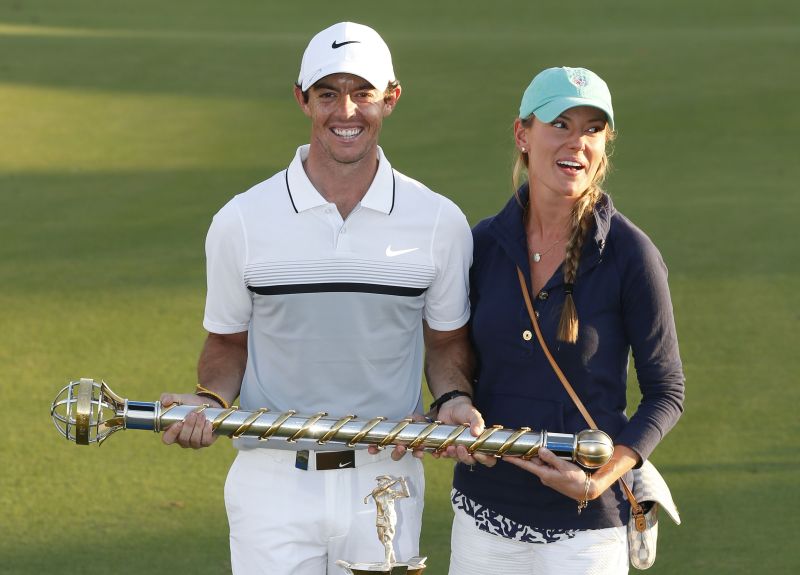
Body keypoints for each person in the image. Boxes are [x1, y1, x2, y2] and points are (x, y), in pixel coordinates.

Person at [158, 22, 482, 575]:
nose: (346, 111)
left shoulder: (439, 221)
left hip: (387, 474)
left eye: (363, 93)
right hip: (272, 482)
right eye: (328, 93)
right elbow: (227, 343)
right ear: (302, 99)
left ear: (391, 98)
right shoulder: (241, 221)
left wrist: (452, 395)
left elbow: (446, 341)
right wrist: (209, 403)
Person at [447, 67, 685, 574]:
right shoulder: (483, 244)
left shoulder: (631, 255)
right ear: (522, 134)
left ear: (605, 144)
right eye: (560, 122)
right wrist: (454, 402)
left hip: (587, 530)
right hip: (482, 519)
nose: (577, 141)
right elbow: (454, 353)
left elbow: (667, 391)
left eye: (593, 128)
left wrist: (601, 478)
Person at [364, 475, 410, 566]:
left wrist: (402, 482)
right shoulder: (376, 492)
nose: (378, 483)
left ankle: (387, 561)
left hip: (389, 518)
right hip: (380, 518)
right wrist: (394, 481)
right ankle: (392, 557)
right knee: (381, 539)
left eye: (380, 481)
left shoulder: (391, 493)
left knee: (387, 539)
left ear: (385, 481)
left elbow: (406, 494)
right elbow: (382, 487)